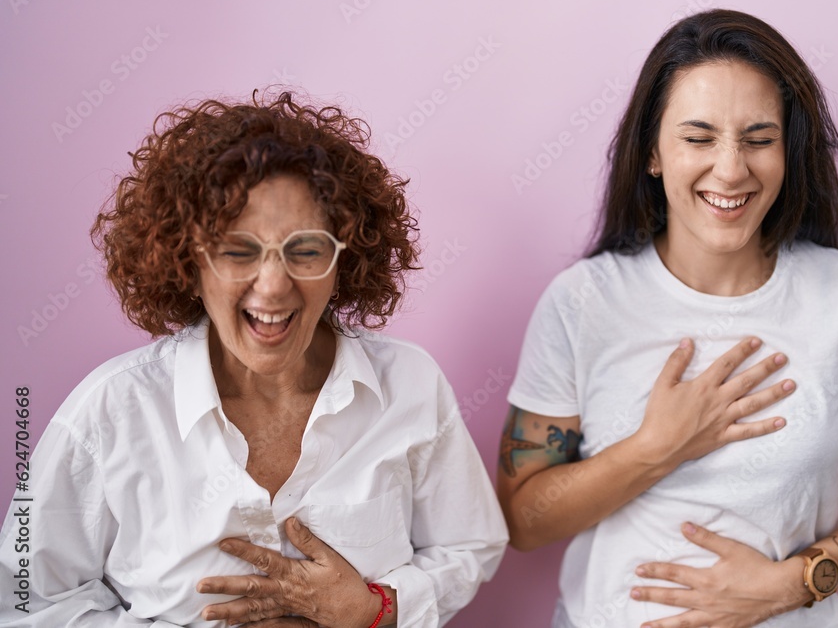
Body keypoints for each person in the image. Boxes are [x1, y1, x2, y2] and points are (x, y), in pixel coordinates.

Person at [497, 9, 838, 628]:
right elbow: (524, 520)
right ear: (653, 153)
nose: (732, 168)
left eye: (759, 139)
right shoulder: (582, 301)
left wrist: (793, 583)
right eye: (699, 137)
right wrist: (656, 448)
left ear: (787, 152)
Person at [0, 92, 508, 627]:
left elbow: (471, 544)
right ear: (188, 261)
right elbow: (24, 601)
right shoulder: (110, 409)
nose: (273, 286)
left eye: (306, 249)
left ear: (344, 260)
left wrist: (374, 610)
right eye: (237, 250)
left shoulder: (410, 383)